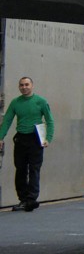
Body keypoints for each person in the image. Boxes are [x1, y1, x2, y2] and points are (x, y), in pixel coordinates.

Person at [0, 77, 55, 212]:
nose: (24, 87)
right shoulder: (15, 103)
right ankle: (23, 199)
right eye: (21, 85)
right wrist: (0, 137)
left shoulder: (40, 102)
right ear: (19, 87)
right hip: (20, 139)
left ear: (32, 86)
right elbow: (7, 120)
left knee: (34, 169)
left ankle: (31, 199)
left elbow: (50, 121)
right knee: (20, 170)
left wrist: (48, 138)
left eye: (26, 84)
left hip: (36, 139)